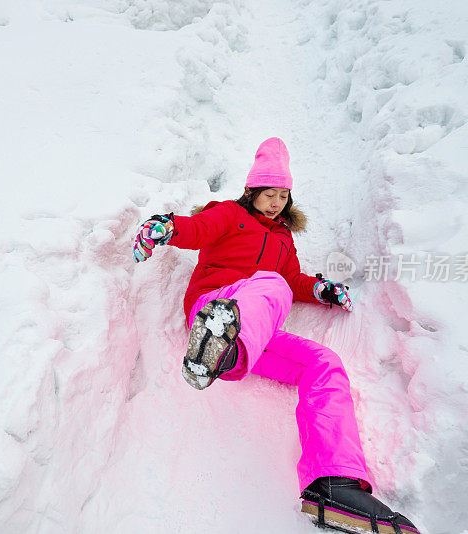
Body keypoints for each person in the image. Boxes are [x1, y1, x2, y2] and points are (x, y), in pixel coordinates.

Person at [132, 138, 420, 534]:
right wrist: (166, 226)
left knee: (324, 363)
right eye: (269, 194)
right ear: (252, 192)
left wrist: (320, 290)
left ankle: (333, 484)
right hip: (214, 308)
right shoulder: (229, 215)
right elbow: (196, 229)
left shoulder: (284, 240)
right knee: (268, 284)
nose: (275, 203)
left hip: (252, 335)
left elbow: (292, 282)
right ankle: (219, 338)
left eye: (283, 196)